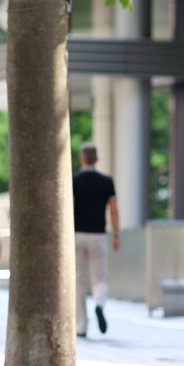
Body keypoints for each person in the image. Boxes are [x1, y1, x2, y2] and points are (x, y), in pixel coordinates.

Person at [73, 143, 119, 338]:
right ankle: (99, 305)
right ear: (97, 159)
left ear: (81, 159)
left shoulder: (73, 180)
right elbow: (113, 210)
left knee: (78, 280)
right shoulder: (106, 181)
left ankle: (81, 326)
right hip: (98, 234)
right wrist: (116, 234)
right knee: (100, 277)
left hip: (76, 234)